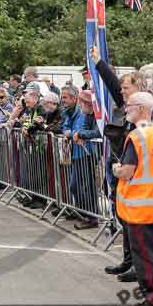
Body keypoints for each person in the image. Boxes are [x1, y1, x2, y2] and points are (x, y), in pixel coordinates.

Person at [112, 91, 153, 306]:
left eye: (128, 106)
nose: (125, 109)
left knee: (146, 259)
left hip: (141, 207)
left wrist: (115, 169)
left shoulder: (137, 136)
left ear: (141, 108)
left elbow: (127, 171)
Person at [90, 45, 147, 283]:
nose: (121, 92)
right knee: (123, 215)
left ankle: (140, 266)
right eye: (122, 88)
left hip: (140, 175)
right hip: (124, 170)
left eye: (126, 88)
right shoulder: (128, 105)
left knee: (139, 223)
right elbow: (113, 85)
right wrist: (98, 62)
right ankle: (128, 259)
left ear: (139, 88)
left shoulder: (147, 109)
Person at [61, 87, 102, 229]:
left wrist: (80, 134)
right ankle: (86, 214)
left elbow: (98, 132)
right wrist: (78, 134)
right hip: (79, 153)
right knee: (76, 187)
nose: (82, 105)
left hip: (88, 154)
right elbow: (80, 130)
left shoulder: (95, 115)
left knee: (86, 187)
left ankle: (91, 217)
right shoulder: (86, 114)